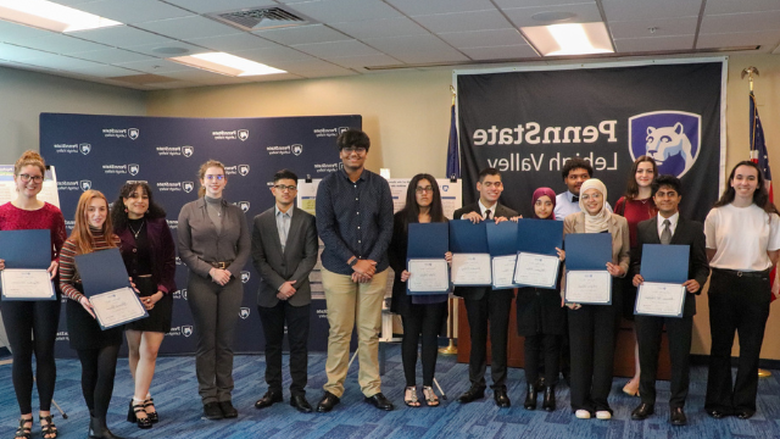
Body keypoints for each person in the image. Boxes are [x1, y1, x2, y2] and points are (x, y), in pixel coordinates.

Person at [315, 128, 394, 413]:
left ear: (365, 153)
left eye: (359, 149)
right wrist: (353, 261)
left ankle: (371, 388)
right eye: (349, 149)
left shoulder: (379, 185)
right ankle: (333, 388)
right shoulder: (327, 185)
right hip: (339, 268)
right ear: (341, 153)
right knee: (339, 330)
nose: (354, 153)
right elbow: (324, 228)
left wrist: (369, 261)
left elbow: (387, 227)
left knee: (369, 331)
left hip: (374, 268)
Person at [630, 175, 709, 426]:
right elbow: (635, 261)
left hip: (680, 301)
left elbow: (701, 266)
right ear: (654, 199)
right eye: (661, 194)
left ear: (679, 198)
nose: (666, 198)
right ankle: (647, 401)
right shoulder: (643, 228)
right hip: (649, 301)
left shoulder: (694, 228)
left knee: (679, 356)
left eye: (670, 194)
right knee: (648, 352)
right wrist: (636, 275)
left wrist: (698, 282)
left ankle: (677, 405)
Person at [704, 160, 780, 420]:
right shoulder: (717, 213)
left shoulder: (770, 216)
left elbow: (773, 255)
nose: (744, 183)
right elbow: (710, 251)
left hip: (755, 285)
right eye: (739, 177)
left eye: (750, 178)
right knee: (721, 347)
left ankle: (744, 403)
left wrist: (752, 269)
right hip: (723, 284)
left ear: (759, 183)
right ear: (731, 181)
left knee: (750, 347)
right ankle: (718, 401)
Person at [177, 160, 251, 420]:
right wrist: (211, 271)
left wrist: (229, 271)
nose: (215, 181)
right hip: (202, 281)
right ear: (202, 181)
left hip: (230, 281)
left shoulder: (236, 212)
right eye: (210, 177)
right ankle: (209, 397)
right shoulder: (189, 210)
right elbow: (184, 251)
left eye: (220, 177)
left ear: (226, 181)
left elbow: (244, 249)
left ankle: (225, 395)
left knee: (226, 342)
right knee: (207, 342)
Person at [0, 151, 66, 439]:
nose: (30, 181)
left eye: (36, 177)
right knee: (21, 355)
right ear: (15, 179)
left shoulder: (53, 212)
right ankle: (25, 416)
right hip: (12, 292)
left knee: (45, 353)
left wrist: (57, 261)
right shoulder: (2, 212)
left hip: (44, 290)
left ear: (42, 181)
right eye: (25, 176)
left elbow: (65, 250)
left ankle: (45, 414)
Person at [59, 190, 125, 439]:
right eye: (91, 209)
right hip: (83, 313)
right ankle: (95, 423)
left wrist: (125, 281)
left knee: (107, 369)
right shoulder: (71, 245)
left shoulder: (114, 241)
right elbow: (63, 283)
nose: (97, 214)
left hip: (110, 312)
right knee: (90, 370)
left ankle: (101, 424)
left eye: (102, 209)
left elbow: (116, 276)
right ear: (82, 213)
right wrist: (81, 297)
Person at [251, 169, 318, 413]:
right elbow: (258, 259)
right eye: (282, 187)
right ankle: (274, 390)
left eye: (291, 187)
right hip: (270, 294)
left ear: (296, 191)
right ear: (273, 190)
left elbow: (310, 256)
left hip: (298, 294)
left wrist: (292, 284)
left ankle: (298, 393)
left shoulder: (307, 220)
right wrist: (279, 284)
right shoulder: (260, 220)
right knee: (272, 345)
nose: (286, 191)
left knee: (299, 346)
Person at [111, 182, 176, 429]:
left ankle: (136, 401)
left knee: (151, 350)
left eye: (145, 196)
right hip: (129, 294)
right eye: (134, 196)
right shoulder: (114, 227)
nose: (140, 200)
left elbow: (170, 261)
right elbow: (110, 263)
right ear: (124, 202)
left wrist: (160, 292)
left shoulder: (159, 225)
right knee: (135, 349)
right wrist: (128, 291)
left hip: (157, 292)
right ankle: (146, 396)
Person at [563, 178, 629, 420]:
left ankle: (601, 402)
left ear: (604, 197)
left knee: (604, 350)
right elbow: (567, 260)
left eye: (596, 195)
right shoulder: (571, 221)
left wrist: (621, 269)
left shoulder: (619, 222)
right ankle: (580, 401)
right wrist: (566, 293)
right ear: (581, 199)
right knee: (579, 349)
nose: (591, 200)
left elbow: (626, 255)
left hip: (608, 293)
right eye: (586, 196)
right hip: (579, 295)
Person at [454, 167, 519, 408]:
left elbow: (518, 253)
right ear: (479, 186)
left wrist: (512, 228)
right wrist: (464, 223)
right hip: (475, 287)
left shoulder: (511, 215)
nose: (494, 188)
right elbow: (455, 245)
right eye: (489, 184)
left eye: (498, 184)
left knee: (500, 337)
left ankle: (500, 387)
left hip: (501, 288)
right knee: (476, 336)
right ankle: (476, 384)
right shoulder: (462, 213)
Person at [388, 174, 450, 408]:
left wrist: (449, 256)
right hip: (409, 288)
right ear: (412, 193)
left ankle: (428, 385)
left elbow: (449, 251)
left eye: (429, 189)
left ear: (434, 193)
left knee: (431, 338)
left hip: (434, 289)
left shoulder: (443, 222)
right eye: (419, 189)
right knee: (411, 337)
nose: (424, 193)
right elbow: (391, 251)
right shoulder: (400, 220)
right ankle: (410, 386)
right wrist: (400, 269)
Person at [515, 187, 565, 411]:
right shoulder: (522, 228)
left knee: (551, 343)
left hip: (552, 296)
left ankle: (550, 391)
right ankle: (531, 389)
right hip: (528, 295)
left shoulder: (562, 231)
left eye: (548, 203)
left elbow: (569, 267)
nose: (543, 208)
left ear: (553, 205)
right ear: (533, 205)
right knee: (531, 343)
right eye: (539, 203)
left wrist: (565, 257)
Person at [614, 156, 658, 397]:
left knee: (647, 324)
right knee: (635, 325)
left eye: (649, 171)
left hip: (653, 266)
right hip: (627, 267)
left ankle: (642, 377)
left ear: (654, 174)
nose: (644, 175)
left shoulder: (661, 200)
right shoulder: (622, 202)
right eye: (640, 170)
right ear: (634, 174)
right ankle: (638, 374)